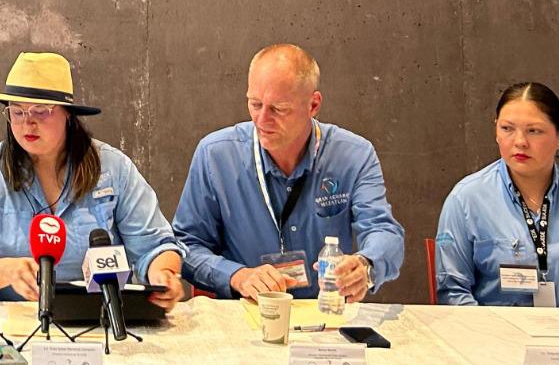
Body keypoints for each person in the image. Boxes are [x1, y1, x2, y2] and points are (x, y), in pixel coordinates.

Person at [0, 52, 185, 309]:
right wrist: (4, 270)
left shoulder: (114, 169)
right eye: (17, 112)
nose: (28, 123)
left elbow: (154, 247)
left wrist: (164, 273)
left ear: (68, 114)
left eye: (41, 111)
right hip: (10, 319)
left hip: (97, 316)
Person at [173, 43, 404, 301]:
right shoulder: (216, 155)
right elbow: (185, 246)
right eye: (255, 104)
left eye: (278, 109)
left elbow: (384, 231)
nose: (261, 121)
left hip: (327, 313)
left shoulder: (354, 155)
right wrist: (237, 276)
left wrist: (366, 266)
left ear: (313, 105)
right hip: (248, 314)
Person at [436, 82, 559, 308]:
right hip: (495, 338)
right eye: (507, 128)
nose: (520, 141)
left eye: (534, 131)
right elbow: (453, 292)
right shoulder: (466, 199)